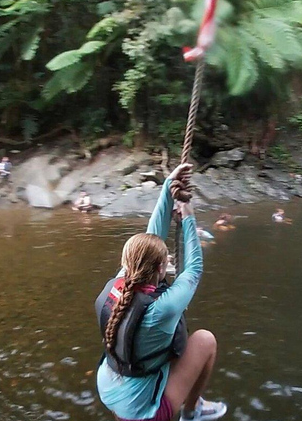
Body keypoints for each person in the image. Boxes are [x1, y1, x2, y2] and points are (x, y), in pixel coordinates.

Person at [95, 163, 227, 421]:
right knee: (205, 341)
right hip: (141, 410)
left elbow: (150, 237)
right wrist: (188, 214)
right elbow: (195, 269)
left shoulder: (119, 281)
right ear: (161, 266)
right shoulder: (161, 309)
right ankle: (192, 411)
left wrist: (168, 187)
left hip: (109, 388)